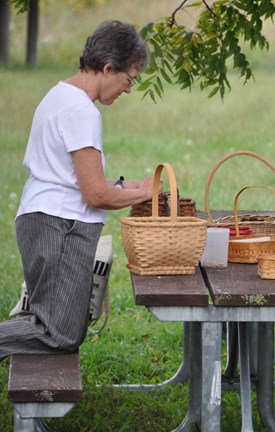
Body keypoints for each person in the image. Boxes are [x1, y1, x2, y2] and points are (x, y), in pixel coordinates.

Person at [0, 20, 158, 363]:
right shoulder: (81, 110)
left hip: (47, 218)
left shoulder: (60, 95)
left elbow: (70, 177)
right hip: (60, 226)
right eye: (129, 79)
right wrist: (143, 194)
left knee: (58, 329)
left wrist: (120, 186)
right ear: (107, 67)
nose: (128, 89)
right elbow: (95, 195)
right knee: (60, 333)